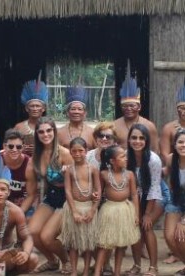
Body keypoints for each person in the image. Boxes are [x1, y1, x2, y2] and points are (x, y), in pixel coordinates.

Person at [21, 116, 73, 274]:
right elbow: (31, 193)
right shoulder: (35, 158)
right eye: (41, 131)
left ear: (54, 132)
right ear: (37, 134)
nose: (45, 134)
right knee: (32, 231)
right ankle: (52, 261)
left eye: (49, 130)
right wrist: (18, 213)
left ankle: (66, 261)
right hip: (51, 197)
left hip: (67, 198)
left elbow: (79, 179)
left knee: (46, 236)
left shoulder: (64, 153)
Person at [93, 145, 140, 276]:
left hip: (125, 211)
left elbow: (134, 195)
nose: (126, 159)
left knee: (121, 244)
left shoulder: (130, 174)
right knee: (104, 243)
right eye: (122, 156)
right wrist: (94, 198)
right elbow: (98, 191)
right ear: (112, 161)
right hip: (109, 211)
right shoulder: (103, 174)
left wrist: (136, 214)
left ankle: (117, 272)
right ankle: (97, 271)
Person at [126, 123, 164, 276]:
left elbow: (155, 187)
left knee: (146, 227)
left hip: (155, 196)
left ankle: (153, 267)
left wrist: (147, 214)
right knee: (135, 228)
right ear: (128, 140)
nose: (137, 141)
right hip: (135, 197)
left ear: (147, 141)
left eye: (141, 138)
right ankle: (136, 265)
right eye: (134, 137)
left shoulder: (153, 160)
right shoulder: (125, 156)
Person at [59, 137, 100, 276]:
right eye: (74, 151)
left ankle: (86, 270)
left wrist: (93, 210)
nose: (77, 154)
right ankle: (74, 271)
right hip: (73, 208)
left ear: (86, 151)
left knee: (88, 243)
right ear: (70, 152)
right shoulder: (70, 170)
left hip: (89, 207)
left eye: (80, 151)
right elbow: (68, 191)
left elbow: (98, 190)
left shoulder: (93, 169)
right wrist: (74, 212)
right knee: (73, 243)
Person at [113, 62, 159, 153]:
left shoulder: (149, 126)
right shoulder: (114, 126)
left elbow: (155, 150)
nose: (128, 108)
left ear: (139, 107)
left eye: (132, 105)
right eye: (125, 106)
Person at [163, 129, 185, 270]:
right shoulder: (172, 158)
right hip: (176, 198)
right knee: (170, 237)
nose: (183, 145)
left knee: (181, 236)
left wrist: (183, 221)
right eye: (180, 142)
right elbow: (165, 171)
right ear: (175, 144)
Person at [14, 72, 48, 157]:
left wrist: (40, 149)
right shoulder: (19, 127)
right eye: (32, 106)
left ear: (43, 109)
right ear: (26, 108)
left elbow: (55, 149)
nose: (35, 109)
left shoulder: (49, 127)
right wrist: (21, 149)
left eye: (37, 106)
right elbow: (10, 146)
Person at [57, 85, 94, 150]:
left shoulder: (92, 133)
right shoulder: (59, 132)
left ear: (85, 113)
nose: (76, 112)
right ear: (67, 112)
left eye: (79, 109)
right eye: (73, 109)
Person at [0, 129, 30, 208]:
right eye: (11, 146)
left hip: (22, 201)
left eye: (18, 147)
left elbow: (31, 194)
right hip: (0, 201)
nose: (14, 150)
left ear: (23, 148)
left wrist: (19, 213)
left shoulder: (29, 164)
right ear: (4, 146)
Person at [160, 81, 185, 164]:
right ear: (177, 109)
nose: (184, 111)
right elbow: (164, 154)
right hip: (174, 168)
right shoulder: (168, 128)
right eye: (182, 108)